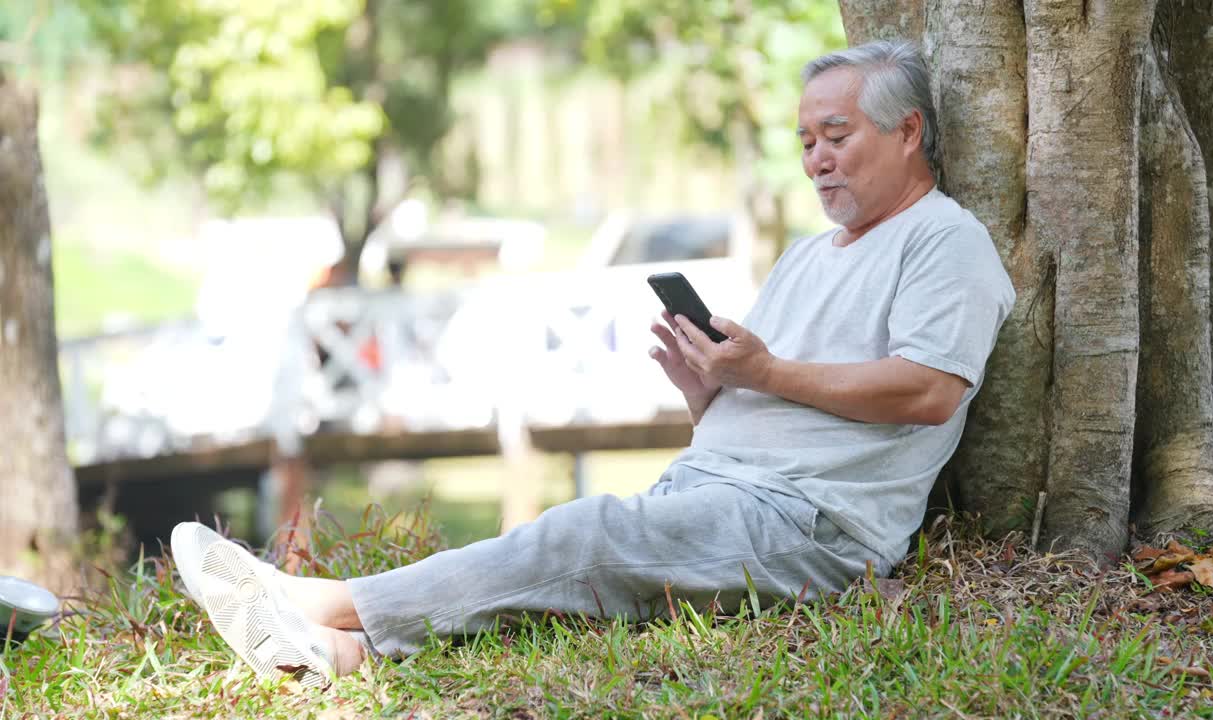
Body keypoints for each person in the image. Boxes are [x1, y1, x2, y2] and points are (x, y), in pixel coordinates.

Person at [171, 39, 1016, 687]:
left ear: (909, 132)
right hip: (715, 488)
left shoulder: (946, 242)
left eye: (837, 134)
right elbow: (769, 404)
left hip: (812, 528)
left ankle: (312, 601)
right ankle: (337, 653)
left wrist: (764, 375)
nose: (817, 159)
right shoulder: (808, 253)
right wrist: (708, 395)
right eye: (804, 141)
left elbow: (930, 391)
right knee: (572, 569)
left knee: (585, 536)